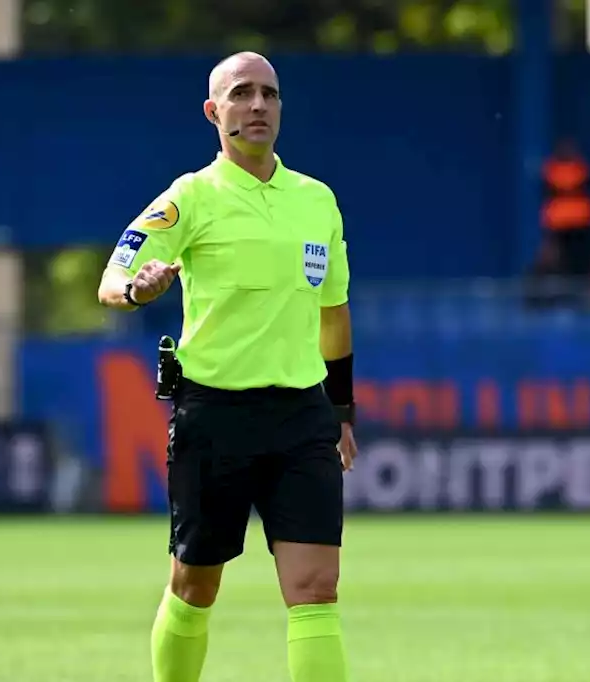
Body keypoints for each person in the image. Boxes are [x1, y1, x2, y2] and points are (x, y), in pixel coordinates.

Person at [97, 52, 358, 682]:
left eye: (269, 94)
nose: (259, 105)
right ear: (215, 113)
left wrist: (342, 413)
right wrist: (138, 290)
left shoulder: (316, 199)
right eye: (242, 94)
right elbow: (113, 277)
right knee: (194, 587)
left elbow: (333, 315)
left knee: (317, 589)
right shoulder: (191, 196)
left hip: (302, 417)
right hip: (214, 414)